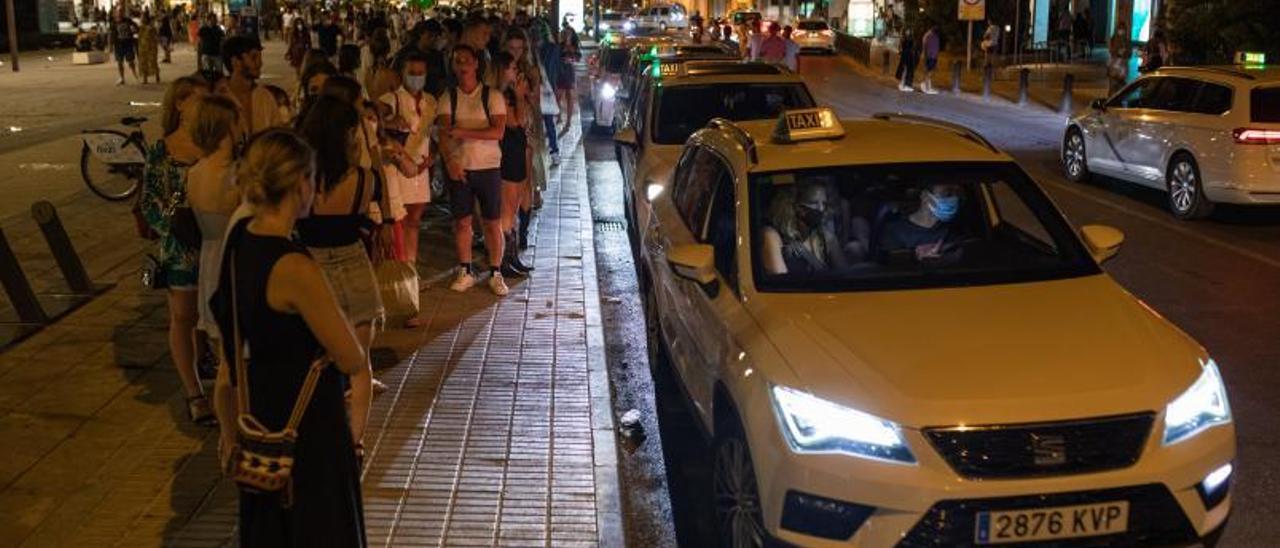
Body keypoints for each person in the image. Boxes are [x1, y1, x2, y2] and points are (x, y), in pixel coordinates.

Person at [210, 129, 370, 546]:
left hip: (259, 420)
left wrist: (228, 434)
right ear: (301, 182)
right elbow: (351, 358)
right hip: (307, 431)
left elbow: (227, 364)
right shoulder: (294, 267)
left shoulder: (239, 243)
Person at [140, 76, 212, 425]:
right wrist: (173, 228)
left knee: (212, 315)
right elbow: (149, 201)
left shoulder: (216, 145)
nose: (203, 106)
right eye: (197, 100)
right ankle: (194, 393)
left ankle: (214, 370)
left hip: (213, 242)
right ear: (180, 104)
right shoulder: (162, 150)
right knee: (183, 317)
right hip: (179, 248)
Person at [297, 97, 386, 375]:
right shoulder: (364, 179)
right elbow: (364, 210)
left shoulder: (301, 179)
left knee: (314, 361)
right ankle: (358, 419)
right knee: (360, 365)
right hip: (354, 266)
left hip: (311, 268)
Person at [438, 45, 509, 295]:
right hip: (461, 168)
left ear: (476, 64)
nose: (462, 64)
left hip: (489, 167)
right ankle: (465, 269)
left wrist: (462, 132)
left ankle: (495, 271)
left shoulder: (492, 96)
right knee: (462, 222)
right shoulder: (449, 97)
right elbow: (443, 134)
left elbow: (498, 131)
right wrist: (450, 161)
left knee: (492, 222)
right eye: (457, 61)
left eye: (467, 60)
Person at [187, 95, 241, 348]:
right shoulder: (236, 175)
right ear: (228, 126)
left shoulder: (195, 172)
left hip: (209, 264)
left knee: (224, 355)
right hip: (235, 265)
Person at [379, 52, 436, 264]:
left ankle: (410, 264)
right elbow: (374, 114)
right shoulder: (392, 99)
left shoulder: (430, 101)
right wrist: (390, 122)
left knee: (414, 220)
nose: (416, 77)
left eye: (420, 73)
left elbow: (433, 133)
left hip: (422, 168)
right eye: (412, 73)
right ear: (402, 73)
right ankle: (398, 263)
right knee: (399, 220)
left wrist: (433, 158)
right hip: (399, 169)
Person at [495, 52, 535, 277]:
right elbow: (515, 122)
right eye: (512, 68)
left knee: (516, 205)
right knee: (507, 210)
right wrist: (519, 97)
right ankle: (503, 260)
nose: (516, 73)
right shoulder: (501, 96)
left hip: (518, 151)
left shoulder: (511, 94)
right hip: (508, 153)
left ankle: (512, 257)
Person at [760, 184, 848, 275]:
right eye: (813, 203)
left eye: (824, 204)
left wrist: (806, 254)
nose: (821, 209)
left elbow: (844, 276)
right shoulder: (772, 235)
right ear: (796, 206)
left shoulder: (827, 238)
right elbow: (779, 280)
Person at [223, 37, 288, 144]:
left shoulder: (265, 97)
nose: (260, 63)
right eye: (253, 57)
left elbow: (278, 136)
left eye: (260, 57)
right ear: (235, 62)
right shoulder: (219, 98)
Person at [878, 184, 964, 262]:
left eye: (957, 194)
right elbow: (891, 268)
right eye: (947, 194)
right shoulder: (894, 231)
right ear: (925, 196)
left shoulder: (956, 230)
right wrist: (915, 257)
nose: (954, 199)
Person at [109, 11, 140, 85]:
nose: (119, 15)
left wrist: (133, 33)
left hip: (127, 43)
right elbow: (111, 34)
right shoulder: (113, 23)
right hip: (119, 44)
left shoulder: (127, 20)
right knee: (120, 62)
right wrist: (111, 44)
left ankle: (135, 75)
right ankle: (122, 78)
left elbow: (136, 27)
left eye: (120, 13)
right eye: (117, 14)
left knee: (131, 61)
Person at [137, 12, 161, 84]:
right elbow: (139, 37)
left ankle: (157, 75)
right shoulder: (141, 27)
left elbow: (155, 37)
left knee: (153, 62)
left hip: (151, 47)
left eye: (143, 17)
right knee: (143, 62)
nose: (141, 19)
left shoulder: (151, 28)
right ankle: (145, 78)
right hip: (142, 46)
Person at [1108, 23, 1130, 94]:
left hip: (1122, 65)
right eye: (1120, 29)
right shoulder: (1113, 39)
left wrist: (1125, 52)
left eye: (1123, 30)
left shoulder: (1127, 41)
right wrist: (1117, 52)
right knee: (1113, 85)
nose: (1121, 31)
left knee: (1120, 86)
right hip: (1114, 65)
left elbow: (1130, 53)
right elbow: (1111, 50)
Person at [897, 27, 918, 92]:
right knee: (905, 69)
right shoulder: (906, 39)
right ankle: (902, 84)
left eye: (909, 31)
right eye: (907, 31)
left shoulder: (909, 38)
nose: (908, 32)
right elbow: (902, 47)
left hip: (908, 55)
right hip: (906, 55)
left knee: (907, 70)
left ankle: (905, 84)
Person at [921, 25, 940, 94]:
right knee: (929, 72)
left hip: (933, 56)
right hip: (930, 56)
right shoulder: (929, 36)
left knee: (930, 71)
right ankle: (927, 87)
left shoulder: (934, 36)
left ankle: (927, 85)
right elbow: (925, 44)